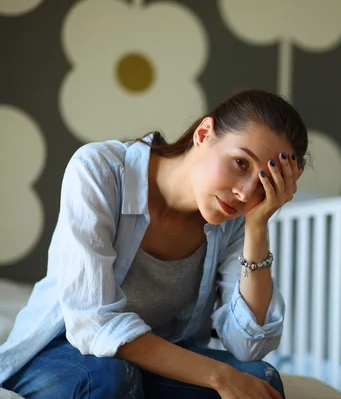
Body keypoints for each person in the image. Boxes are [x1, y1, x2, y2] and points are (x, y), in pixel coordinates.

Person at [0, 89, 308, 399]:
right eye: (241, 163)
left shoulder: (238, 218)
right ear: (204, 133)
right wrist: (218, 375)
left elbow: (249, 346)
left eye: (264, 184)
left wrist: (257, 225)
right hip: (65, 349)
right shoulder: (101, 170)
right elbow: (92, 322)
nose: (245, 193)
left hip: (156, 360)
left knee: (261, 380)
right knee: (108, 377)